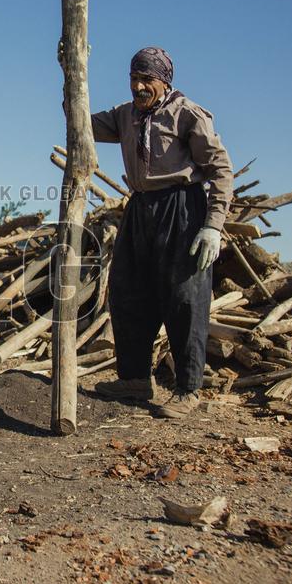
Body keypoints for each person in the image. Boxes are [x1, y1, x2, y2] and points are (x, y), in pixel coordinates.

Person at [90, 47, 233, 418]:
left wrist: (213, 227)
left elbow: (220, 170)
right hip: (140, 208)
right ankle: (135, 379)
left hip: (182, 207)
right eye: (134, 79)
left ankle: (188, 389)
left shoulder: (188, 114)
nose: (138, 87)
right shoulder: (124, 115)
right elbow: (80, 121)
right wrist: (68, 75)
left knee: (185, 297)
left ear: (164, 81)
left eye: (146, 80)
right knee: (128, 291)